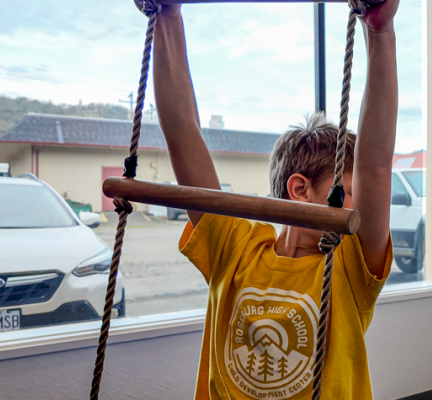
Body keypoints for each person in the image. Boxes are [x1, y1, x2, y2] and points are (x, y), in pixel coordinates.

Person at [152, 1, 399, 399]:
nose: (362, 209)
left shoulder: (350, 267)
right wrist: (167, 15)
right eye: (349, 193)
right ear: (300, 190)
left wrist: (380, 32)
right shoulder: (234, 248)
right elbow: (182, 134)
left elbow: (377, 166)